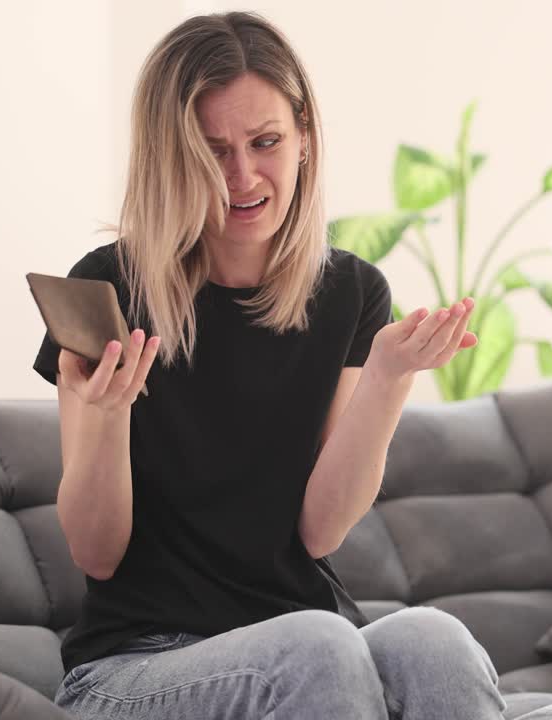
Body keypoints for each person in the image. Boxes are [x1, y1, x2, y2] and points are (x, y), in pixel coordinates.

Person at [32, 11, 503, 720]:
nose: (242, 177)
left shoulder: (350, 293)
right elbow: (96, 554)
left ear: (305, 137)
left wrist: (385, 379)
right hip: (136, 665)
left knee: (436, 641)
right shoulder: (109, 289)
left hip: (305, 641)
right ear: (171, 153)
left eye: (266, 142)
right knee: (317, 646)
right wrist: (105, 415)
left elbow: (319, 533)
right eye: (212, 150)